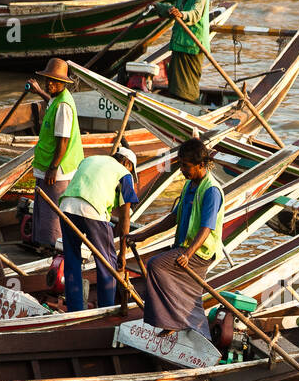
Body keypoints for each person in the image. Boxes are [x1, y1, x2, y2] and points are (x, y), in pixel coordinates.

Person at [129, 138, 224, 338]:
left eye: (186, 166)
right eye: (180, 165)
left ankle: (172, 321)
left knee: (156, 265)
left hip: (200, 252)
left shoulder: (211, 190)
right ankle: (199, 331)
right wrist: (142, 236)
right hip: (184, 247)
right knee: (190, 294)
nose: (181, 170)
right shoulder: (189, 185)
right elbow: (173, 218)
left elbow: (206, 228)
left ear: (201, 165)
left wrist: (188, 254)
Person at [57, 147, 140, 312]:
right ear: (128, 164)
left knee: (72, 260)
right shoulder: (125, 174)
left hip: (66, 207)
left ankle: (74, 309)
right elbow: (125, 218)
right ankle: (106, 310)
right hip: (93, 211)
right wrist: (122, 254)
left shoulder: (90, 159)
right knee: (107, 264)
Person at [26, 57, 83, 251]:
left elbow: (63, 141)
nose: (49, 84)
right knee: (43, 207)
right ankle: (44, 243)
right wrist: (39, 92)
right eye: (48, 80)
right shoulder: (57, 99)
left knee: (52, 212)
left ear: (63, 83)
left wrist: (53, 168)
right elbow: (51, 103)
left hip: (58, 169)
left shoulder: (64, 106)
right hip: (48, 164)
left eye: (55, 81)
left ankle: (53, 247)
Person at [153, 0, 211, 104]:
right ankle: (176, 103)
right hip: (179, 43)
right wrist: (160, 7)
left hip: (192, 45)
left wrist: (182, 15)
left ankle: (191, 107)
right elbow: (175, 9)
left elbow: (195, 14)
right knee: (175, 84)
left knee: (188, 87)